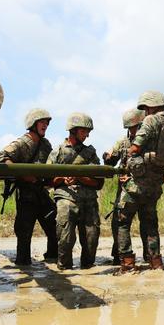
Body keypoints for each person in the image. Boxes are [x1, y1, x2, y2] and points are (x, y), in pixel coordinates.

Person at [117, 90, 164, 272]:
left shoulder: (151, 121)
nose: (144, 112)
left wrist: (129, 154)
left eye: (145, 108)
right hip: (154, 186)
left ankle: (127, 264)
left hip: (136, 186)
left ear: (149, 106)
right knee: (151, 226)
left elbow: (136, 146)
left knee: (123, 222)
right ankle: (156, 263)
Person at [0, 109, 57, 266]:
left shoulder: (45, 144)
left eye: (47, 123)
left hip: (42, 194)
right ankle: (23, 265)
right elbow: (1, 158)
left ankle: (53, 259)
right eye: (42, 122)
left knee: (55, 227)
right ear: (33, 124)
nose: (45, 125)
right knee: (24, 234)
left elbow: (52, 166)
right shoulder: (22, 143)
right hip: (26, 196)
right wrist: (24, 175)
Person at [48, 112, 103, 270]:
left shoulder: (90, 154)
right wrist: (62, 179)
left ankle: (88, 271)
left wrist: (80, 178)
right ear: (73, 130)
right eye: (83, 131)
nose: (87, 135)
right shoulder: (58, 151)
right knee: (65, 238)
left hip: (89, 201)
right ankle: (65, 270)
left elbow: (99, 183)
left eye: (88, 132)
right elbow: (47, 180)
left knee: (91, 239)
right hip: (66, 199)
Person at [103, 108, 149, 265]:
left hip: (144, 190)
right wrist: (107, 157)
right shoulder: (122, 143)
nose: (133, 131)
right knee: (119, 223)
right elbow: (112, 160)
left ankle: (150, 258)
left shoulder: (149, 144)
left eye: (135, 127)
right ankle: (121, 258)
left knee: (148, 225)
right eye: (130, 128)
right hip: (124, 191)